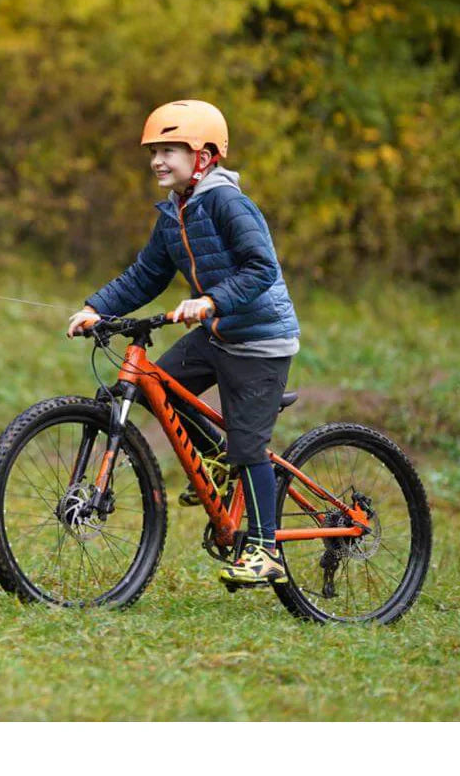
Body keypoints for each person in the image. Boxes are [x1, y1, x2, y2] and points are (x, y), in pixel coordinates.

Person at [66, 100, 300, 587]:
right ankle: (216, 464)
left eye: (170, 150)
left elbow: (261, 268)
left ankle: (265, 549)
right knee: (162, 387)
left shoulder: (226, 202)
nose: (157, 160)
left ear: (206, 156)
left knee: (248, 446)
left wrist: (212, 299)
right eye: (154, 151)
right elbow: (146, 275)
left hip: (260, 341)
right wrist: (96, 308)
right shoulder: (174, 212)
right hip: (217, 334)